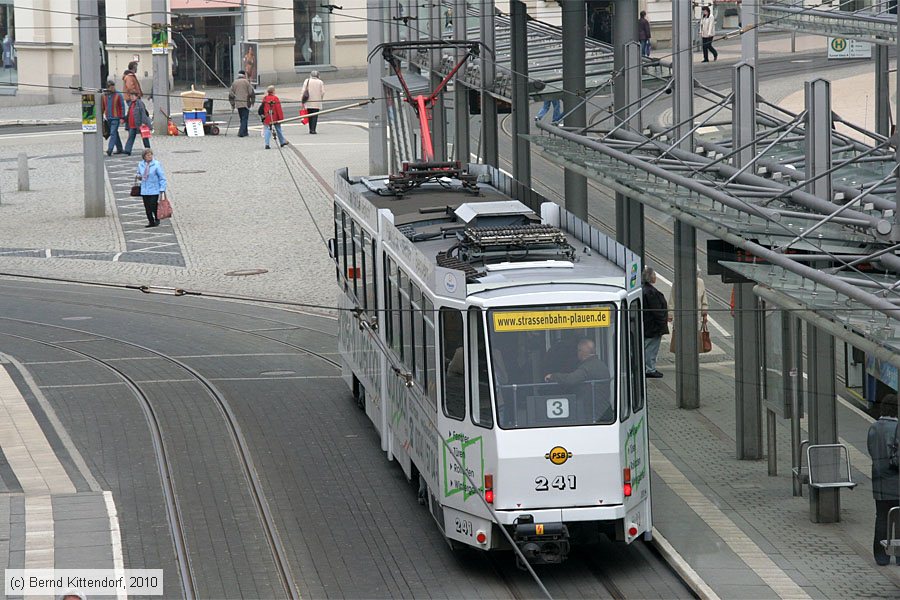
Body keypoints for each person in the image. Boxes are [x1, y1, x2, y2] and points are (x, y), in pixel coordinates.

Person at [867, 395, 899, 566]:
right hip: (897, 483)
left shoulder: (873, 428)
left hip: (879, 484)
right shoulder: (898, 428)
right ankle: (898, 556)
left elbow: (872, 452)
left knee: (881, 518)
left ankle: (881, 556)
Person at [642, 266, 668, 378]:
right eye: (654, 275)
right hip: (653, 327)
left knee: (648, 347)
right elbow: (657, 312)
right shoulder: (651, 292)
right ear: (650, 276)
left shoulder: (644, 289)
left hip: (647, 325)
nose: (655, 277)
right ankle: (649, 369)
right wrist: (663, 325)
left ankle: (648, 367)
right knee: (651, 349)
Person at [136, 149, 166, 228]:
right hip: (144, 189)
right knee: (147, 206)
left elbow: (162, 177)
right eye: (147, 155)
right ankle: (151, 221)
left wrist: (162, 188)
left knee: (153, 204)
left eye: (150, 155)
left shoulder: (156, 164)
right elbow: (138, 173)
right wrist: (139, 176)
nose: (149, 157)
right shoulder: (141, 164)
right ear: (144, 157)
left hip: (154, 188)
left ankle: (157, 218)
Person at [101, 79, 126, 156]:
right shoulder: (104, 96)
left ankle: (110, 149)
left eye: (113, 87)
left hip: (116, 117)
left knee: (112, 133)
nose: (112, 88)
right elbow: (103, 107)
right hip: (108, 117)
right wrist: (101, 116)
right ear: (108, 88)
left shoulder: (118, 95)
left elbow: (122, 106)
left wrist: (122, 117)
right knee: (115, 133)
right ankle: (119, 148)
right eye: (111, 87)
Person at [229, 70, 256, 137]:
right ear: (244, 75)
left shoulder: (234, 83)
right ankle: (241, 132)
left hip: (238, 103)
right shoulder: (246, 82)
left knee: (242, 118)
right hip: (246, 103)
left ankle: (245, 132)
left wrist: (232, 104)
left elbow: (231, 94)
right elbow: (251, 92)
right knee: (245, 118)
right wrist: (252, 101)